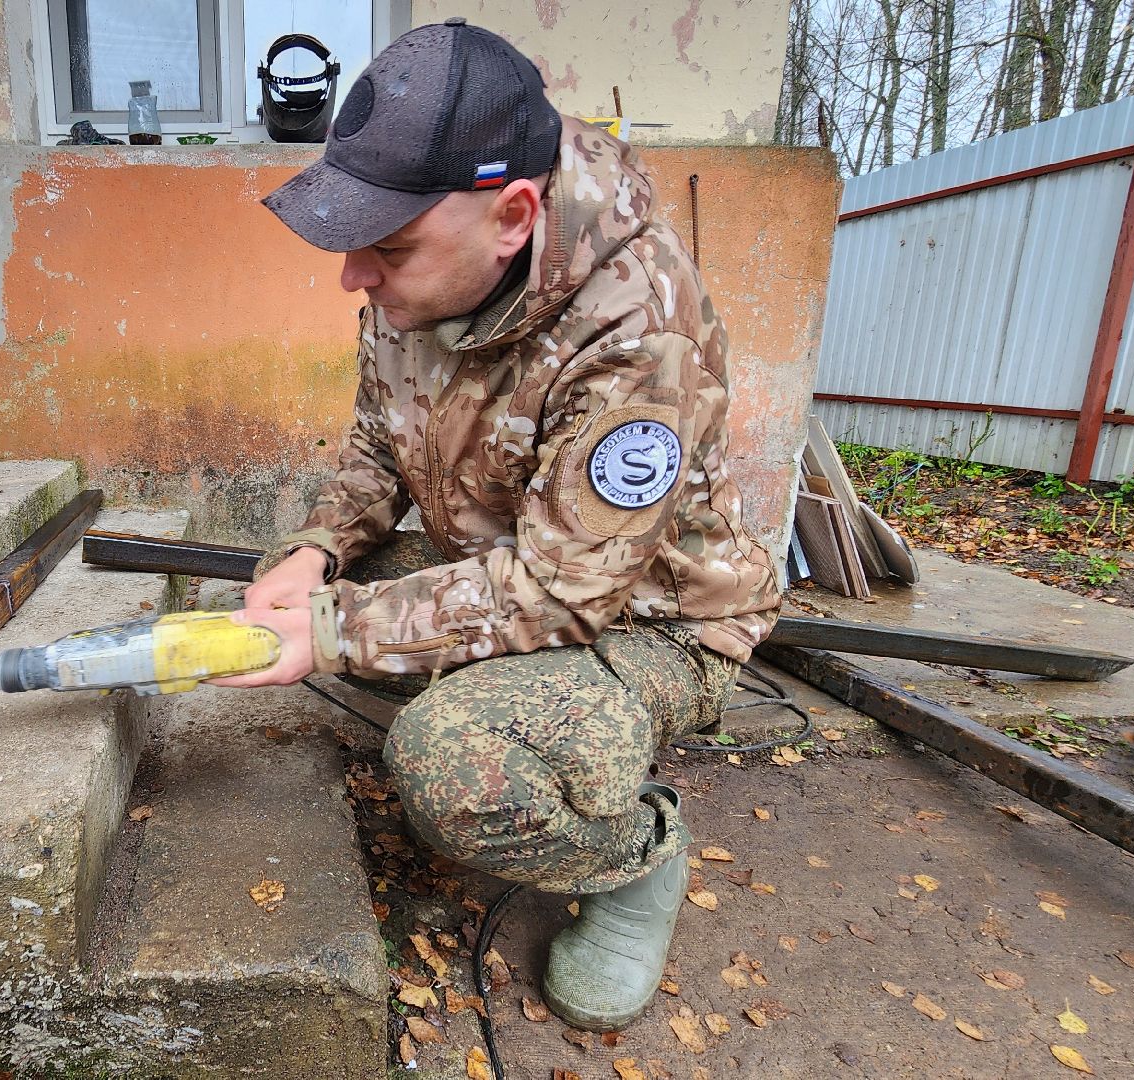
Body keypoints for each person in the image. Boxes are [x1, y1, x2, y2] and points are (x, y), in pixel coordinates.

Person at [211, 19, 782, 1032]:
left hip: (651, 621)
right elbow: (377, 451)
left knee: (447, 760)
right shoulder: (423, 276)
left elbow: (567, 589)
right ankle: (517, 720)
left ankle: (636, 857)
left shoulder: (639, 328)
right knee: (298, 585)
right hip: (505, 560)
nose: (357, 281)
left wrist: (346, 629)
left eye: (385, 250)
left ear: (513, 215)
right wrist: (317, 552)